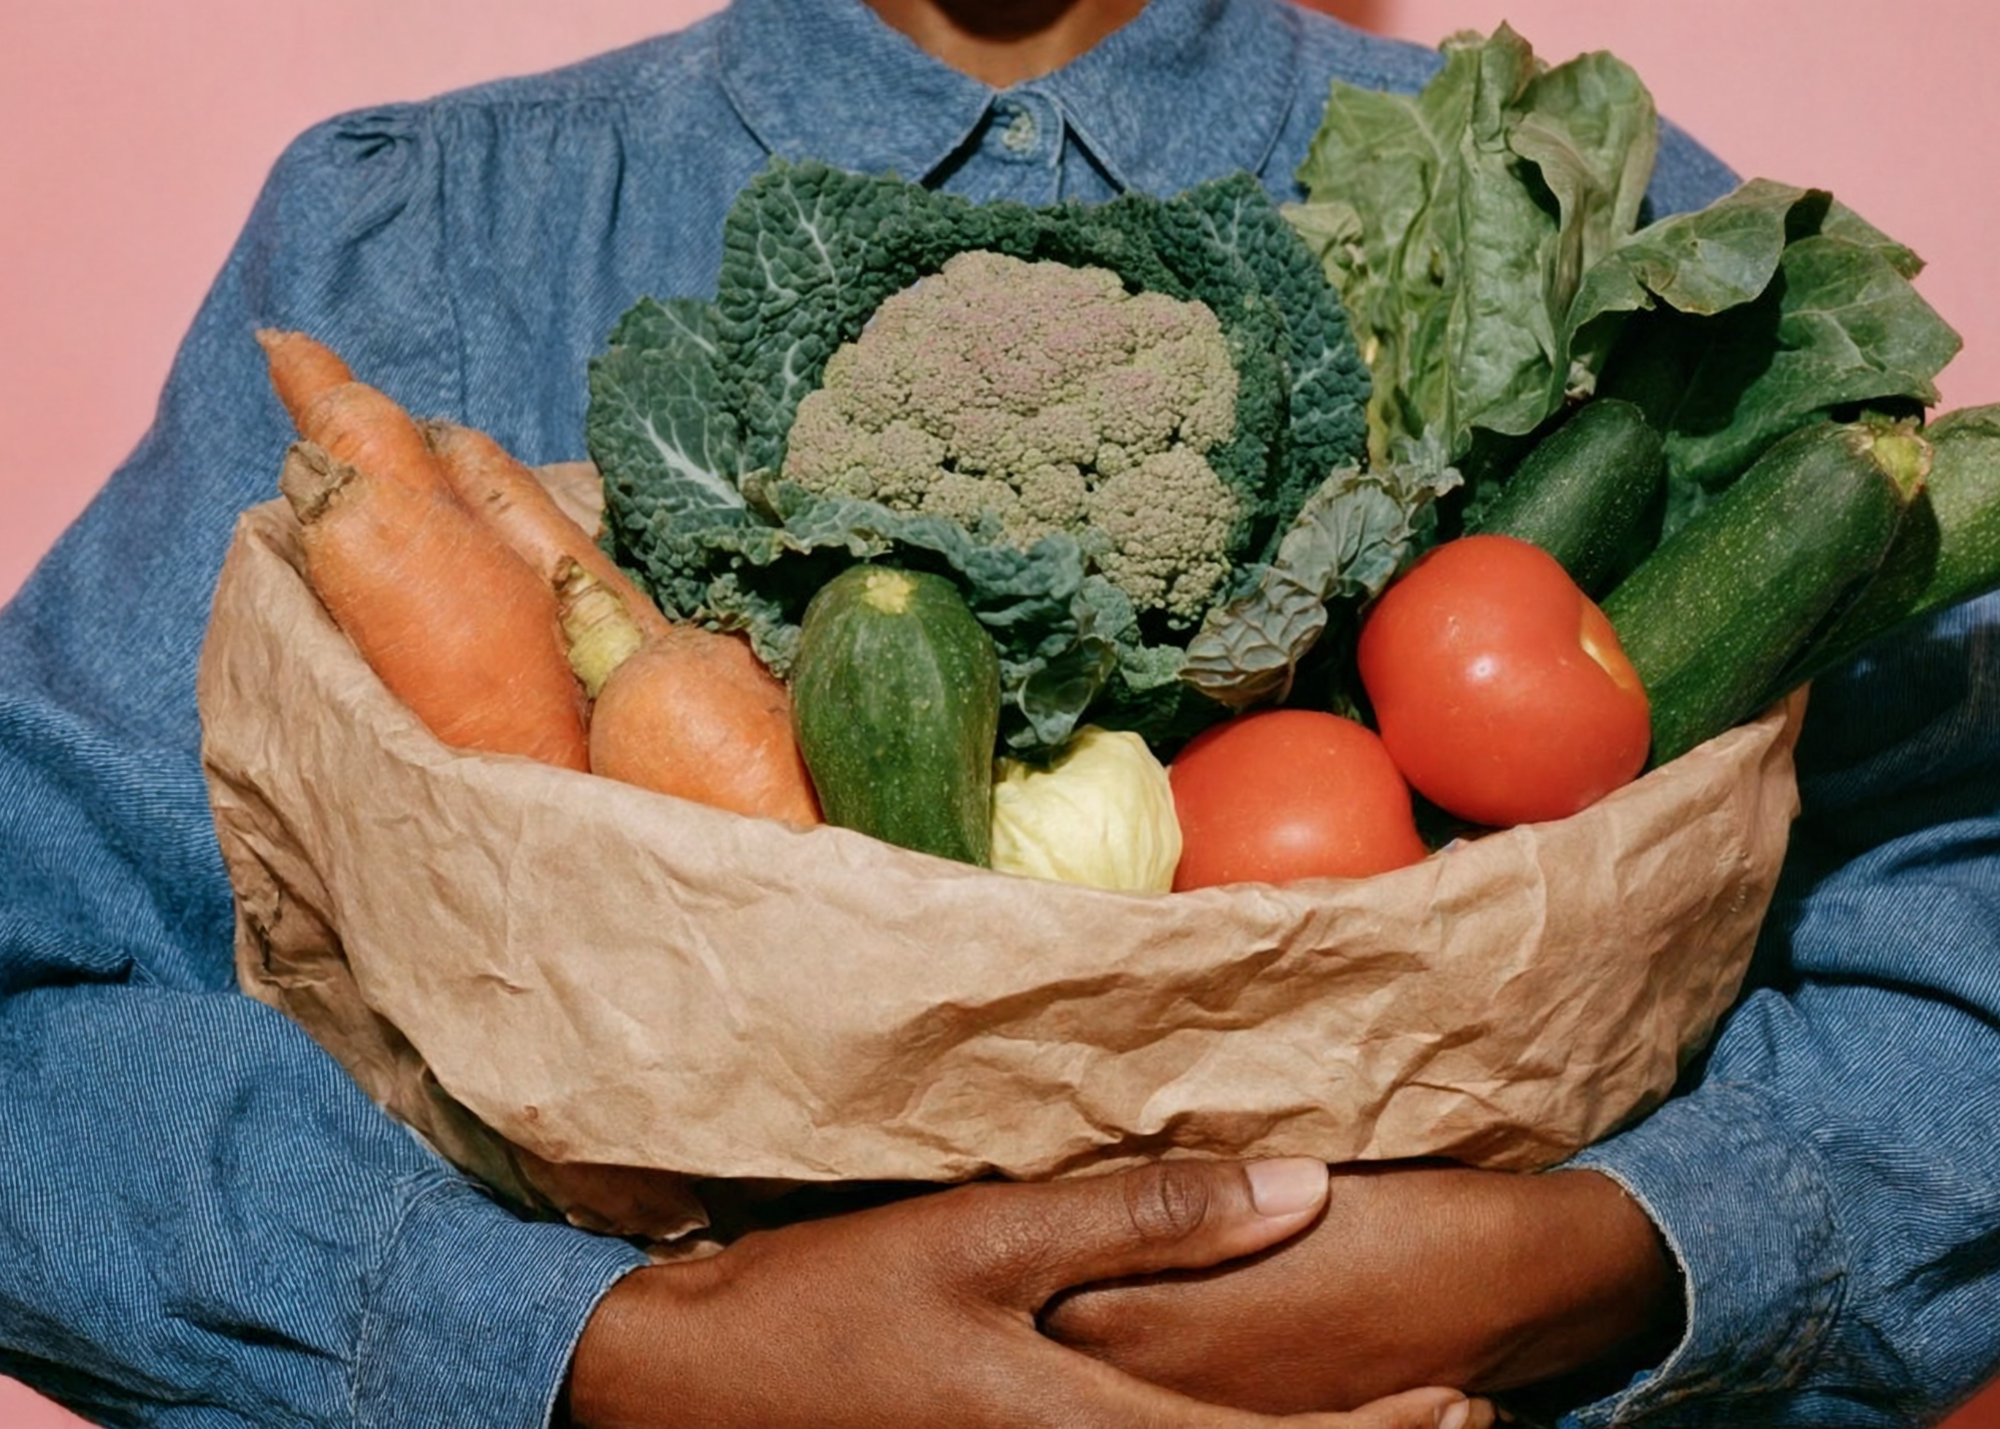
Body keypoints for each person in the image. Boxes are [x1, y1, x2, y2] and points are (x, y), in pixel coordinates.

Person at [1, 0, 1994, 1425]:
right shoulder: (418, 239)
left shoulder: (1629, 245)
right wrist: (610, 1355)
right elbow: (34, 1011)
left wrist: (1597, 1257)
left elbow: (1956, 945)